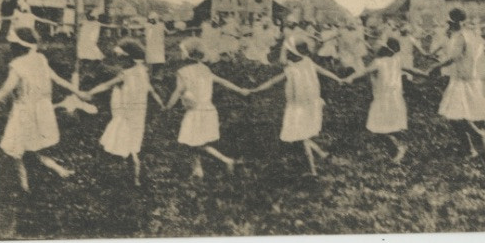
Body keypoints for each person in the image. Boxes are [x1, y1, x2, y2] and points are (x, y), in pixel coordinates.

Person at [0, 28, 87, 192]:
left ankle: (24, 186)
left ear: (19, 47)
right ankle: (59, 171)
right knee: (33, 147)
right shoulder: (40, 58)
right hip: (42, 110)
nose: (10, 47)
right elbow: (57, 79)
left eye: (12, 44)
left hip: (24, 111)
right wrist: (77, 92)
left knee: (17, 149)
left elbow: (6, 90)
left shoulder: (17, 65)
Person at [251, 40, 346, 176]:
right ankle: (321, 153)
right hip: (311, 104)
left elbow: (273, 81)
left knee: (302, 136)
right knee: (304, 136)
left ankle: (313, 171)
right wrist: (337, 78)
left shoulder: (291, 69)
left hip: (299, 107)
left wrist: (256, 90)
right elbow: (323, 71)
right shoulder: (308, 62)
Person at [81, 41, 163, 186]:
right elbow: (150, 89)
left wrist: (89, 92)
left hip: (125, 116)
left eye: (121, 58)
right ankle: (135, 179)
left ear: (128, 59)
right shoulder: (142, 71)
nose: (119, 61)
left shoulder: (126, 74)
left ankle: (99, 172)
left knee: (112, 142)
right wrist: (159, 101)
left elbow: (107, 85)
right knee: (131, 146)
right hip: (137, 116)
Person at [165, 40, 250, 178]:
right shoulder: (205, 69)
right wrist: (240, 90)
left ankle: (226, 160)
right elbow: (223, 81)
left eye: (183, 51)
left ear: (187, 54)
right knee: (195, 141)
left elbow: (178, 91)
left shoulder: (183, 72)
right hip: (208, 109)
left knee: (194, 143)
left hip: (195, 112)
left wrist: (168, 107)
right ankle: (197, 170)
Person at [343, 38, 427, 164]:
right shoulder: (394, 60)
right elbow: (411, 70)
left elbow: (363, 72)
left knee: (379, 127)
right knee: (386, 127)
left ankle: (398, 149)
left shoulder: (380, 62)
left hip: (385, 98)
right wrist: (425, 74)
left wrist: (350, 78)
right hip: (394, 97)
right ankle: (397, 149)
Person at [431, 9, 485, 156]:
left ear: (455, 23)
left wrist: (435, 66)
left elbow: (454, 57)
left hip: (464, 80)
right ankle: (469, 146)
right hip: (466, 78)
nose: (448, 26)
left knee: (455, 116)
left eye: (450, 23)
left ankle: (476, 137)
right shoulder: (470, 35)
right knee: (457, 116)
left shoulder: (461, 37)